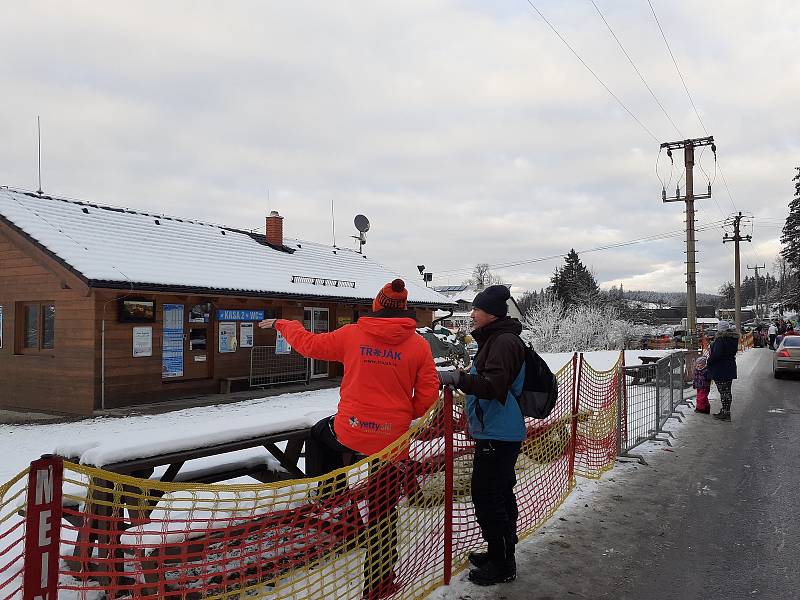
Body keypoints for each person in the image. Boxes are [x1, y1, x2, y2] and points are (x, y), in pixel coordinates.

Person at [258, 279, 440, 599]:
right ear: (404, 309)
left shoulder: (352, 334)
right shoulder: (418, 345)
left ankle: (330, 493)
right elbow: (427, 395)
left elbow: (310, 345)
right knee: (383, 512)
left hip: (350, 431)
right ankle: (379, 583)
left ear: (377, 305)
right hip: (391, 443)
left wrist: (285, 324)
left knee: (318, 433)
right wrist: (400, 416)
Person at [437, 284, 525, 586]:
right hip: (499, 430)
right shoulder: (499, 339)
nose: (472, 314)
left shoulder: (502, 342)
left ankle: (502, 564)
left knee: (488, 496)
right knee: (498, 494)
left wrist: (460, 378)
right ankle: (500, 553)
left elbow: (494, 386)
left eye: (477, 309)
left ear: (491, 314)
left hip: (499, 433)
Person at [706, 320, 739, 422]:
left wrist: (709, 361)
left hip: (720, 369)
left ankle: (725, 413)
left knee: (723, 392)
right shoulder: (733, 339)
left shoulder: (721, 339)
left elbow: (717, 354)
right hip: (729, 367)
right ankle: (726, 411)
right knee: (727, 391)